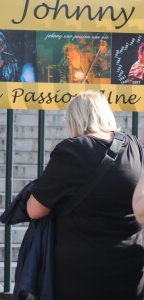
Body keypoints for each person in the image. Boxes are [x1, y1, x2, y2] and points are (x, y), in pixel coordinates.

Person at [26, 90, 144, 300]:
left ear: (74, 118)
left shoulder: (71, 151)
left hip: (80, 272)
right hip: (130, 269)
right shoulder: (135, 147)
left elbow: (34, 210)